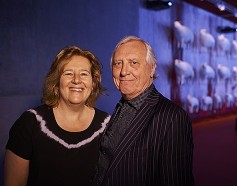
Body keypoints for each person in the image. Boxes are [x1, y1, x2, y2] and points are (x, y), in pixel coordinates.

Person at [92, 36, 194, 186]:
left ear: (152, 68)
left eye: (133, 63)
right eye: (118, 63)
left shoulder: (172, 117)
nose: (124, 72)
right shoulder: (121, 107)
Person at [4, 46, 110, 186]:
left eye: (84, 74)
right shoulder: (30, 123)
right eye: (68, 73)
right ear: (56, 81)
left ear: (93, 82)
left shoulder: (108, 125)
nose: (76, 80)